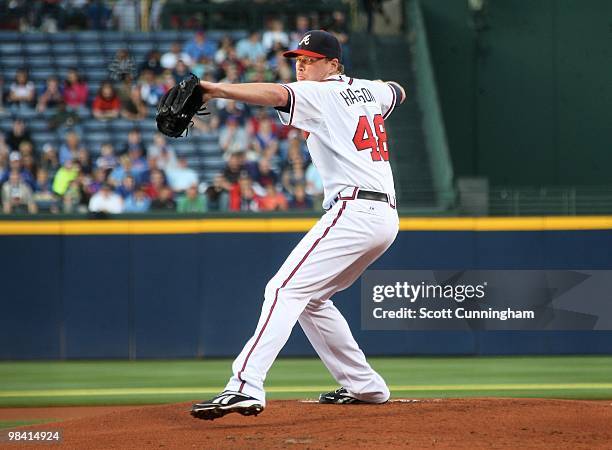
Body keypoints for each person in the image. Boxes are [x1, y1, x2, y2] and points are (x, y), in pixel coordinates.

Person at [191, 30, 405, 420]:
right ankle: (366, 387)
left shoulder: (319, 93)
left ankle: (244, 386)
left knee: (282, 289)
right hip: (385, 218)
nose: (302, 65)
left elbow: (276, 95)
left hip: (354, 211)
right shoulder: (369, 92)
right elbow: (398, 90)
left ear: (333, 65)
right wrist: (376, 87)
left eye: (311, 59)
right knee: (312, 299)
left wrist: (214, 89)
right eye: (299, 59)